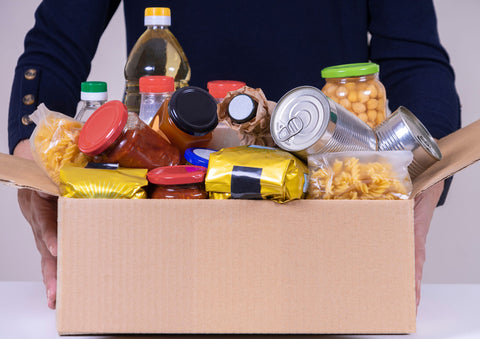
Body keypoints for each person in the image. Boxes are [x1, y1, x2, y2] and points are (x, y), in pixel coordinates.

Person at [9, 0, 460, 310]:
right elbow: (56, 43)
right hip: (173, 213)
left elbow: (413, 57)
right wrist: (32, 146)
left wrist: (425, 172)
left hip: (328, 204)